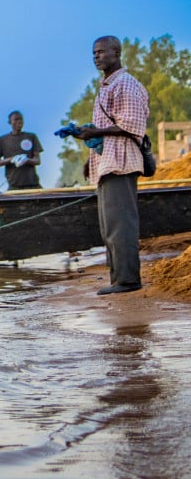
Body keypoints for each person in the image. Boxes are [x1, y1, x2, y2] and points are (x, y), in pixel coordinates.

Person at [70, 36, 149, 295]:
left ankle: (128, 281)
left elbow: (132, 126)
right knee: (109, 227)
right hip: (108, 163)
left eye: (102, 52)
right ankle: (118, 279)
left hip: (122, 164)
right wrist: (89, 155)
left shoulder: (125, 84)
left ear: (116, 53)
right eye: (94, 53)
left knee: (121, 225)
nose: (96, 56)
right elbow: (109, 129)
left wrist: (93, 132)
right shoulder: (106, 86)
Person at [0, 111, 43, 190]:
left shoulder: (31, 137)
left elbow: (37, 160)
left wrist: (26, 160)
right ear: (10, 122)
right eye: (16, 119)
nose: (19, 121)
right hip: (14, 186)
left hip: (33, 184)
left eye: (21, 119)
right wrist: (11, 159)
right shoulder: (2, 140)